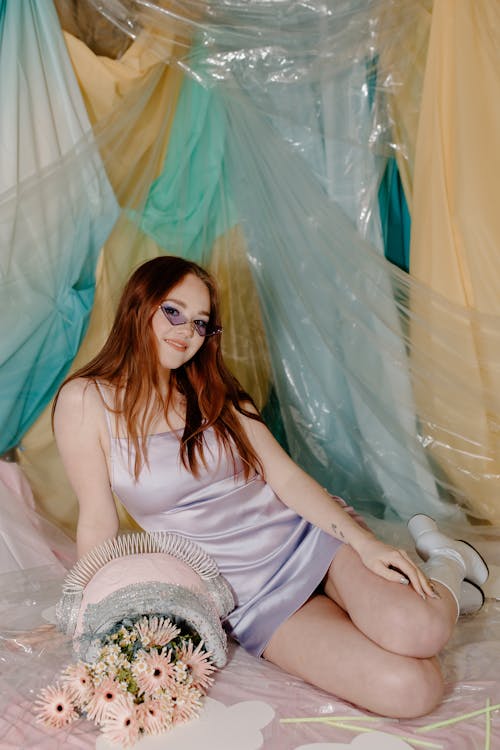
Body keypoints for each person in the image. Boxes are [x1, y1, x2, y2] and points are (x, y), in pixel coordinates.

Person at [53, 255, 489, 719]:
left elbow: (284, 477)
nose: (186, 332)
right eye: (173, 312)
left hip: (308, 540)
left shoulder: (212, 390)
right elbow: (98, 521)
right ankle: (420, 599)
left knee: (417, 629)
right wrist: (92, 625)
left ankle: (448, 560)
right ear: (138, 305)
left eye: (200, 324)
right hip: (250, 596)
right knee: (412, 691)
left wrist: (364, 544)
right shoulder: (86, 402)